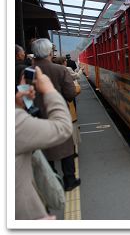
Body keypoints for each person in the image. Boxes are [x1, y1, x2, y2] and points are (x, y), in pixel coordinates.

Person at [16, 66, 72, 220]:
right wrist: (48, 89)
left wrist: (18, 104)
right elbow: (62, 128)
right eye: (24, 82)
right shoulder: (14, 123)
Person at [31, 38, 80, 191]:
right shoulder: (60, 70)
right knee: (66, 148)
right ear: (49, 52)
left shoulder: (28, 71)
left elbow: (24, 96)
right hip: (58, 114)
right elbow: (70, 94)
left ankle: (52, 180)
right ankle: (69, 181)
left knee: (44, 149)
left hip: (36, 116)